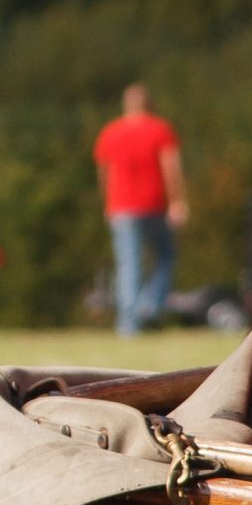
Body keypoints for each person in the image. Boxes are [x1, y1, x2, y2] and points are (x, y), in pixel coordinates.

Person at [93, 83, 188, 335]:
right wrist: (177, 201)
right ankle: (149, 305)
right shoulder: (160, 130)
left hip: (121, 208)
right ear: (150, 103)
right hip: (154, 205)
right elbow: (171, 168)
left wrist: (107, 202)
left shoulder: (110, 132)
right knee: (165, 257)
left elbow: (103, 173)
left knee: (128, 264)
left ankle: (129, 324)